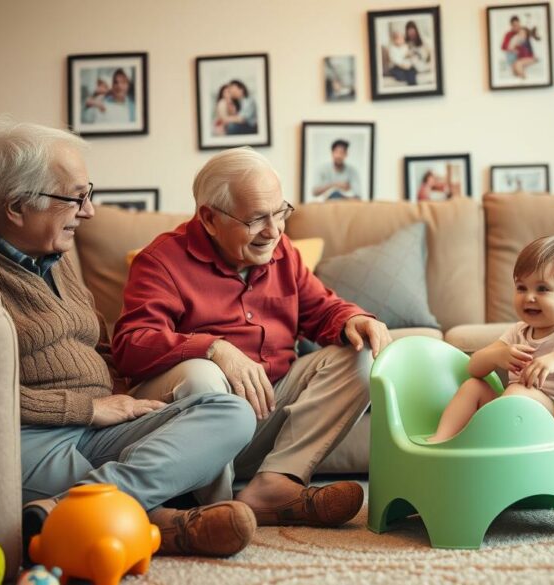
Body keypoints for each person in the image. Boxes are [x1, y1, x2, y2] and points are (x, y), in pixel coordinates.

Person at [0, 116, 259, 558]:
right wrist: (89, 409)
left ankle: (74, 510)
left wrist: (126, 399)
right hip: (21, 436)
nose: (88, 211)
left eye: (88, 194)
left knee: (230, 413)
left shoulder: (51, 242)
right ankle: (162, 523)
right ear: (17, 206)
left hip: (98, 425)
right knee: (145, 467)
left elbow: (94, 342)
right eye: (76, 198)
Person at [112, 147, 393, 528]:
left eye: (280, 212)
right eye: (257, 218)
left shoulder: (283, 252)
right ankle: (214, 506)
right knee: (202, 374)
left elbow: (321, 309)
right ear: (209, 218)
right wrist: (213, 348)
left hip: (265, 409)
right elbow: (131, 344)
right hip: (195, 428)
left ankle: (275, 484)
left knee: (361, 354)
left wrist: (353, 319)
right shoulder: (161, 260)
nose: (274, 230)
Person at [428, 236, 554, 442]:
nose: (529, 297)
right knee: (473, 386)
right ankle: (442, 441)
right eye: (521, 288)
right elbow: (473, 368)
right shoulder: (518, 332)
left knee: (517, 391)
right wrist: (496, 356)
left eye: (542, 289)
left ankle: (487, 442)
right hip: (513, 409)